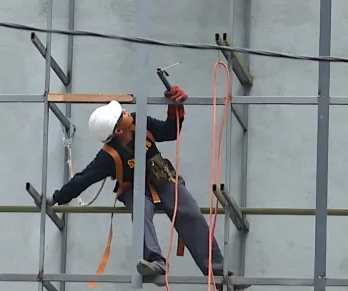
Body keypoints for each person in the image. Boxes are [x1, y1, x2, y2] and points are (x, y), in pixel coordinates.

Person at [49, 87, 248, 289]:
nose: (126, 113)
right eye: (121, 115)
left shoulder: (140, 124)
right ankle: (156, 262)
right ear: (117, 130)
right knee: (141, 211)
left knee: (189, 213)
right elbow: (83, 179)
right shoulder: (108, 157)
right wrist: (57, 198)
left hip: (162, 177)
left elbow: (170, 131)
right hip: (133, 188)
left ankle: (218, 272)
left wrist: (175, 108)